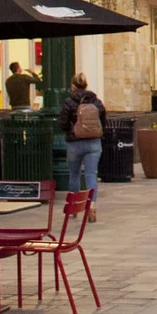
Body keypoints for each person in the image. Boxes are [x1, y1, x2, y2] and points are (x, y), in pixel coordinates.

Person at [60, 74, 107, 221]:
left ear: (73, 85)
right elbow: (103, 119)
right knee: (91, 174)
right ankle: (92, 206)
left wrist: (72, 129)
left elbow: (63, 123)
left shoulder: (69, 102)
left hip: (75, 142)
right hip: (93, 142)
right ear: (86, 85)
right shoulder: (96, 101)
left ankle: (74, 207)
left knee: (74, 174)